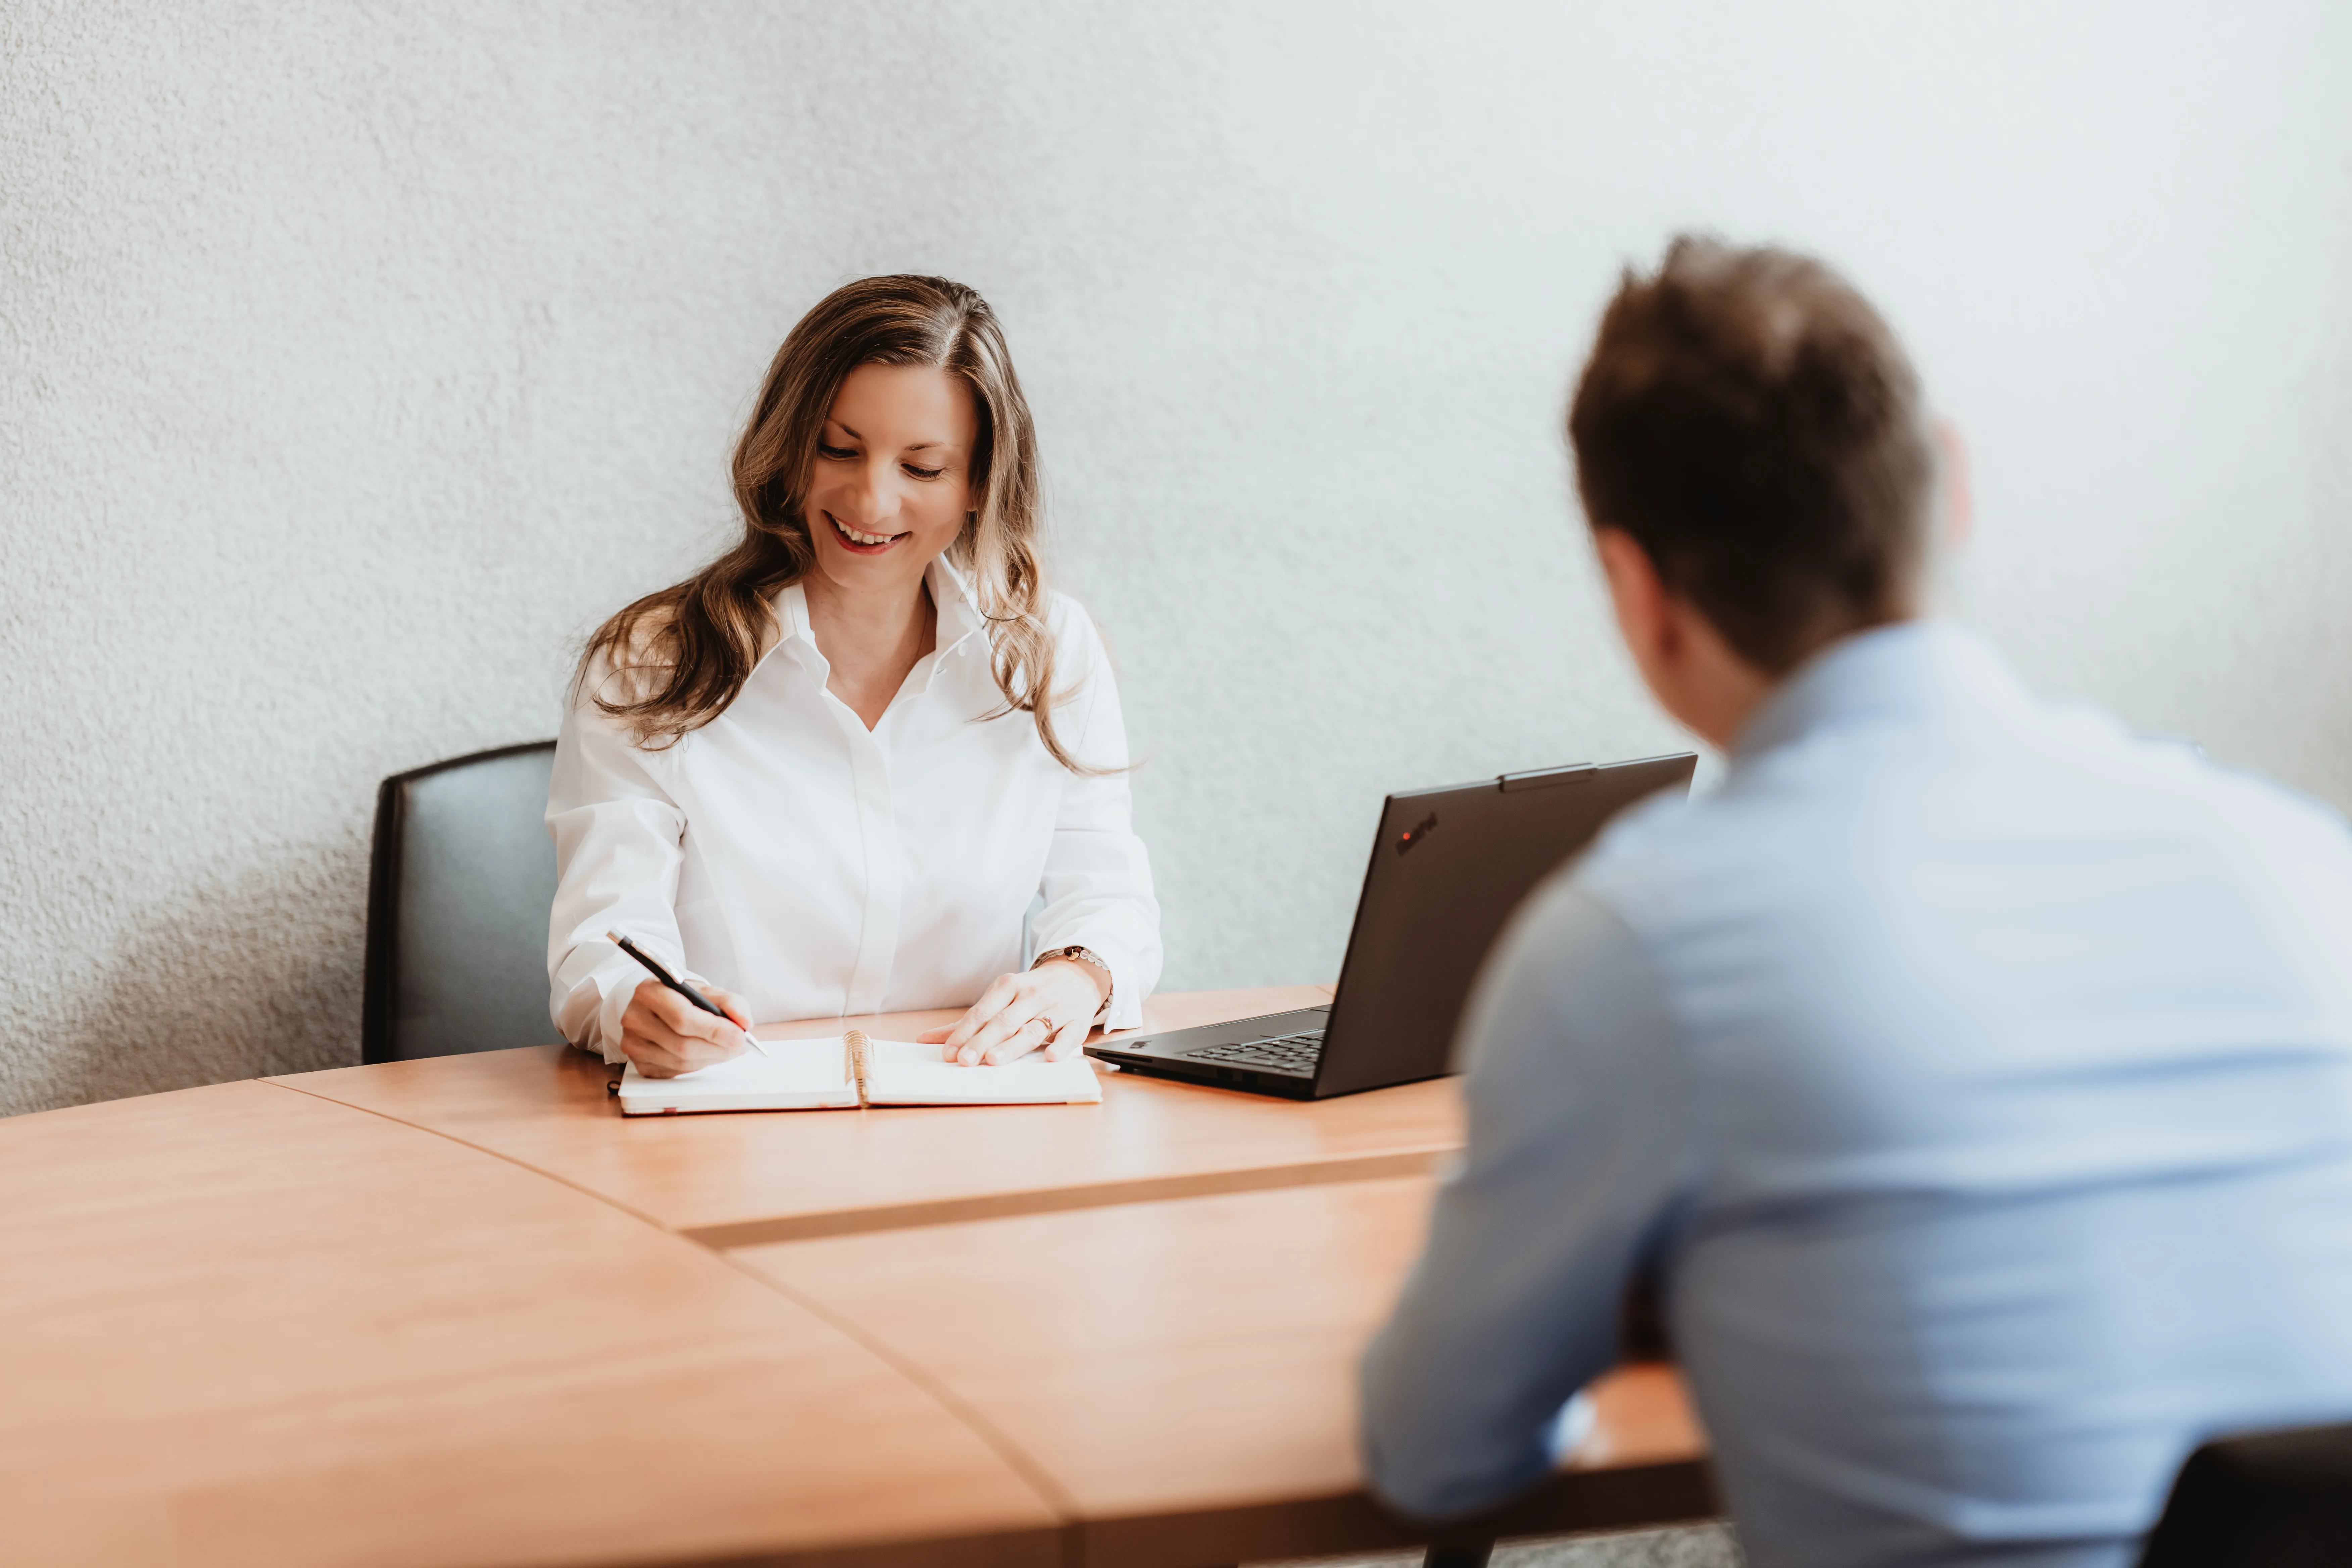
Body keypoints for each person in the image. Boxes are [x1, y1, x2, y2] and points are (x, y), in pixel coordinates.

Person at [1359, 238, 2352, 1568]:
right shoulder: (2303, 865)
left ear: (1640, 592)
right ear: (1950, 486)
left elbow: (1437, 1453)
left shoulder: (1638, 947)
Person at [546, 275, 1161, 1079]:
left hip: (969, 1122)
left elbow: (1107, 891)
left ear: (979, 484)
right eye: (838, 449)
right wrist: (634, 1002)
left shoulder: (1046, 652)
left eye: (924, 467)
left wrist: (1077, 976)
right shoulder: (651, 663)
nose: (872, 499)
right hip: (726, 1130)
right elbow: (604, 935)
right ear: (786, 445)